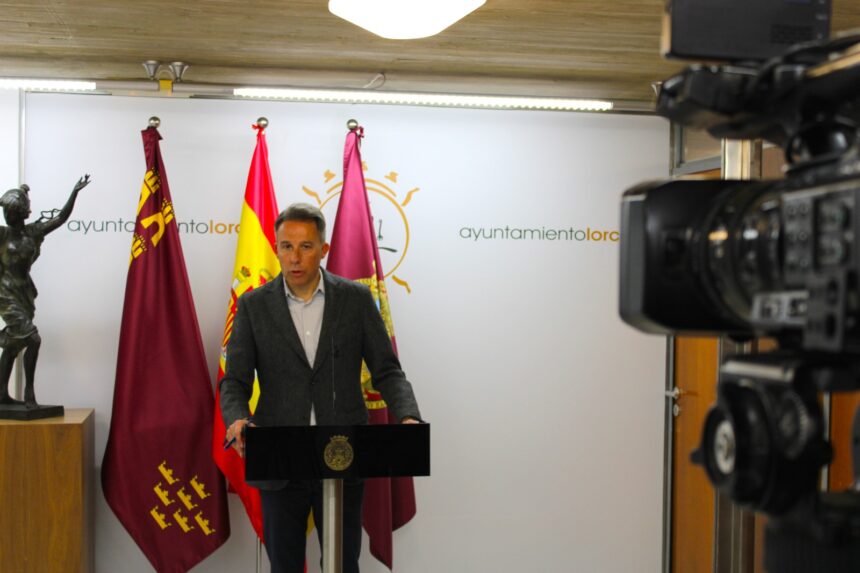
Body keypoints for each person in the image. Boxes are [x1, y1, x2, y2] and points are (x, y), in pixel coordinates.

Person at [220, 202, 421, 573]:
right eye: (286, 246)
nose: (295, 257)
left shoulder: (356, 300)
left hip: (342, 455)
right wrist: (236, 418)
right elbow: (234, 381)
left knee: (342, 565)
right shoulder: (253, 306)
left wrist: (408, 417)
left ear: (324, 249)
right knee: (284, 566)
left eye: (306, 247)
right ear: (276, 248)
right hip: (278, 459)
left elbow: (387, 370)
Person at [0, 175, 90, 408]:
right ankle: (29, 394)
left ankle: (1, 394)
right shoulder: (2, 235)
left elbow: (61, 217)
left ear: (22, 214)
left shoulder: (33, 232)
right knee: (33, 339)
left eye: (11, 212)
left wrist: (74, 192)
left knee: (12, 344)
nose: (7, 216)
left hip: (24, 293)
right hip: (5, 295)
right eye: (5, 211)